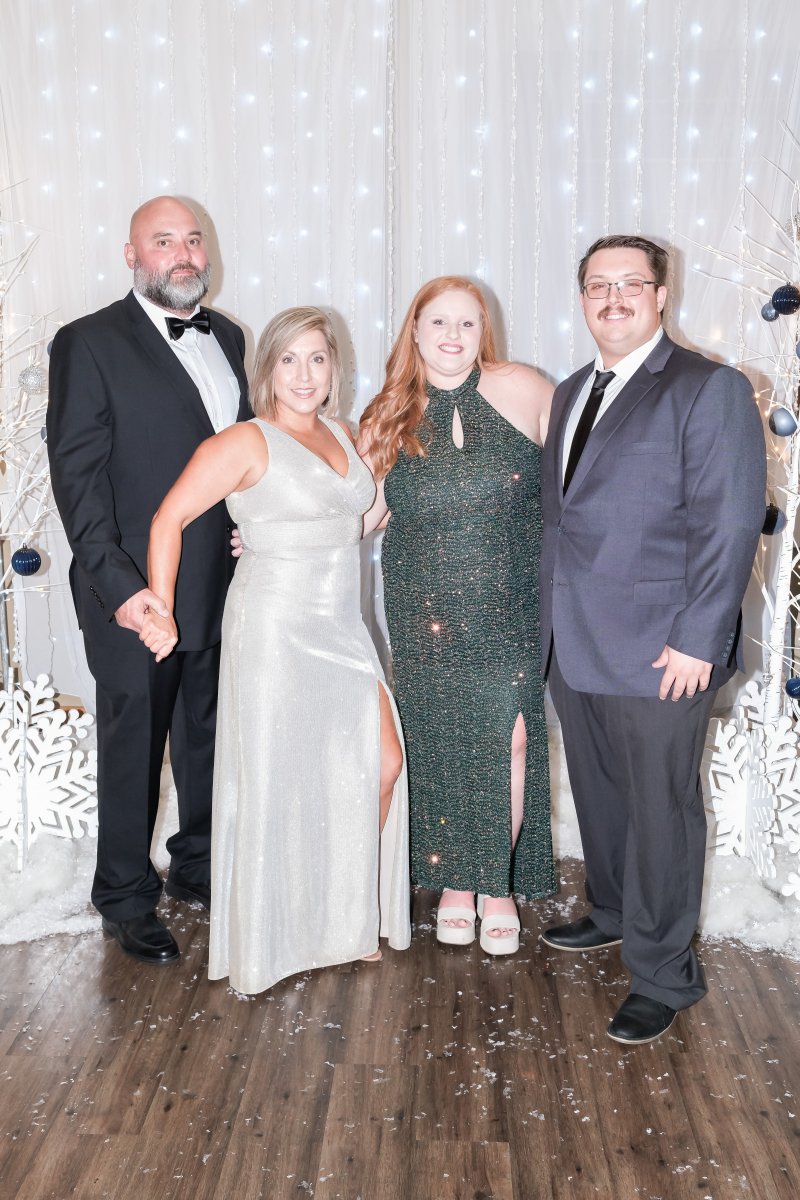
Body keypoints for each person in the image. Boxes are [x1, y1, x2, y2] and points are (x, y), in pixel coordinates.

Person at [141, 307, 411, 995]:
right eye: (289, 359)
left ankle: (343, 916)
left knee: (379, 765)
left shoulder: (342, 434)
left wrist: (399, 484)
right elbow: (169, 517)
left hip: (342, 627)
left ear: (334, 367)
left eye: (317, 358)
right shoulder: (244, 441)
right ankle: (282, 936)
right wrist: (160, 607)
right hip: (273, 629)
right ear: (268, 369)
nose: (304, 374)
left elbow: (353, 521)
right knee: (278, 784)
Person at [539, 234, 766, 1043]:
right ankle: (611, 910)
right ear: (582, 298)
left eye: (630, 284)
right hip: (573, 638)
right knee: (599, 792)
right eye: (598, 286)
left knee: (661, 810)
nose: (613, 298)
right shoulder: (572, 389)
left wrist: (701, 637)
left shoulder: (709, 388)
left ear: (661, 295)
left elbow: (729, 522)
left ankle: (666, 975)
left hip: (665, 648)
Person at [47, 196, 251, 966]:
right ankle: (125, 895)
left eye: (193, 239)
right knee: (133, 746)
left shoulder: (230, 336)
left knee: (208, 735)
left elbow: (242, 454)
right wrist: (123, 590)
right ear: (132, 256)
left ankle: (197, 865)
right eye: (164, 241)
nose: (184, 254)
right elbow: (78, 482)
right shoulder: (88, 343)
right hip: (134, 590)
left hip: (221, 581)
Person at [359, 276, 554, 955]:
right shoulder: (387, 414)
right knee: (440, 743)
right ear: (414, 331)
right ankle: (456, 886)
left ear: (483, 331)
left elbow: (583, 478)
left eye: (467, 323)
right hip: (425, 607)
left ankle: (496, 885)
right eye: (437, 321)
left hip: (511, 602)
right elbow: (361, 517)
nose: (452, 334)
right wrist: (276, 532)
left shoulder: (525, 388)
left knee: (512, 739)